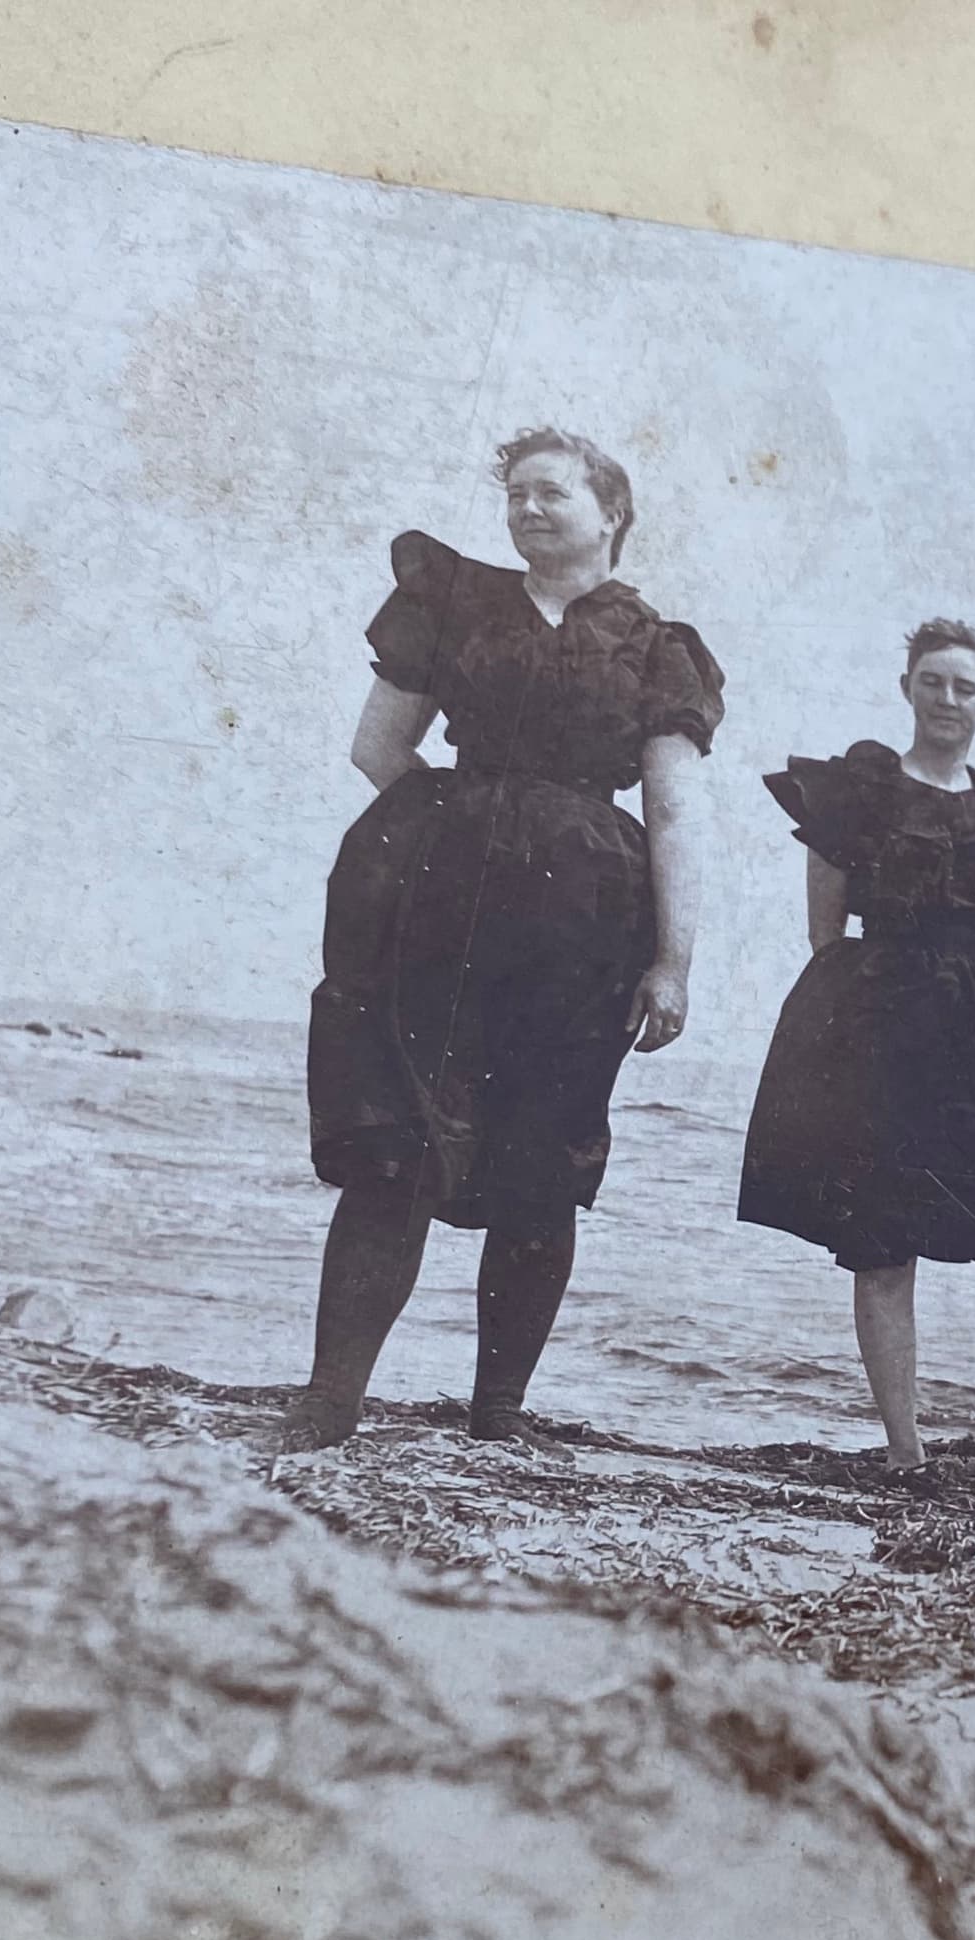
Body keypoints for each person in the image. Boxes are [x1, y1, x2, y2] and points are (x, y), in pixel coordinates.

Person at [280, 427, 722, 1452]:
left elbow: (674, 811)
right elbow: (377, 744)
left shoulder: (661, 649)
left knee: (541, 1156)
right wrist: (462, 833)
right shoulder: (453, 601)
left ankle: (498, 1415)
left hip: (583, 927)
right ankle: (329, 1402)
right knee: (392, 1140)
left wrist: (673, 961)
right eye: (515, 495)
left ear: (610, 512)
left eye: (550, 494)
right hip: (429, 912)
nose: (526, 510)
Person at [738, 620, 975, 1475]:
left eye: (966, 687)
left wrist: (957, 1006)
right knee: (885, 1247)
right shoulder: (857, 794)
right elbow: (825, 933)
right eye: (933, 681)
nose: (948, 700)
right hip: (873, 1027)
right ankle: (904, 1452)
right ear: (907, 689)